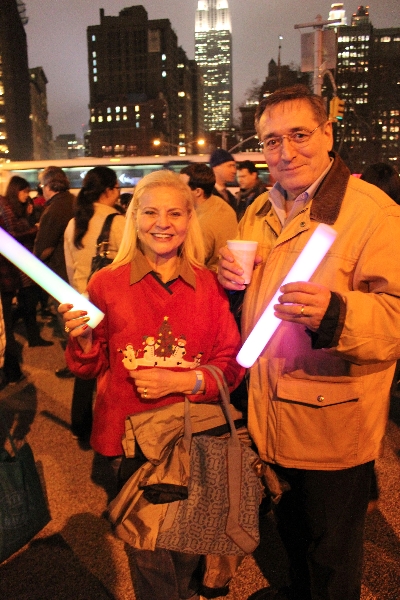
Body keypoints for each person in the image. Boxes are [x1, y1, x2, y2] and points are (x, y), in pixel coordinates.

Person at [218, 84, 400, 600]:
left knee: (332, 552)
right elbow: (251, 305)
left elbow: (394, 317)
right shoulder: (258, 210)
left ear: (327, 134)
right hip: (269, 410)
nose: (286, 151)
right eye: (272, 140)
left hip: (332, 421)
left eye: (299, 135)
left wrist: (336, 313)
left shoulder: (373, 213)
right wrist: (228, 281)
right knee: (292, 533)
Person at [58, 170, 245, 600]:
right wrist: (83, 341)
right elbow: (89, 367)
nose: (163, 223)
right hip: (128, 443)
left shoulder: (210, 285)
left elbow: (231, 364)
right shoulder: (106, 283)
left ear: (190, 219)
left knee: (185, 547)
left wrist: (182, 380)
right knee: (149, 555)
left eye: (175, 213)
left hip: (192, 439)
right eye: (151, 212)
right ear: (134, 218)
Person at [64, 166, 125, 442]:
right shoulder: (118, 222)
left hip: (80, 301)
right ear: (109, 190)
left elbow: (69, 267)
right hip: (108, 304)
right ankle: (108, 426)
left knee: (85, 361)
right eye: (117, 188)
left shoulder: (74, 222)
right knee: (110, 363)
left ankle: (79, 422)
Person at [0, 176, 53, 353]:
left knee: (28, 300)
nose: (27, 194)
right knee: (27, 300)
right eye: (24, 191)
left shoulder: (18, 208)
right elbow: (13, 234)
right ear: (15, 190)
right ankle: (24, 338)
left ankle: (32, 336)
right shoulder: (7, 207)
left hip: (23, 261)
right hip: (18, 263)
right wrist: (36, 229)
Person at [34, 166, 76, 378]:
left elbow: (45, 248)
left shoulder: (54, 209)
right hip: (75, 269)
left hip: (60, 273)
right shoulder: (73, 201)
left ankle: (76, 364)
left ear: (49, 185)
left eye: (42, 185)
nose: (41, 189)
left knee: (67, 321)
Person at [180, 163, 238, 272]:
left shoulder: (203, 224)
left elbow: (190, 263)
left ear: (198, 192)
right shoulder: (219, 204)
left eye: (182, 188)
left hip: (210, 277)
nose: (177, 192)